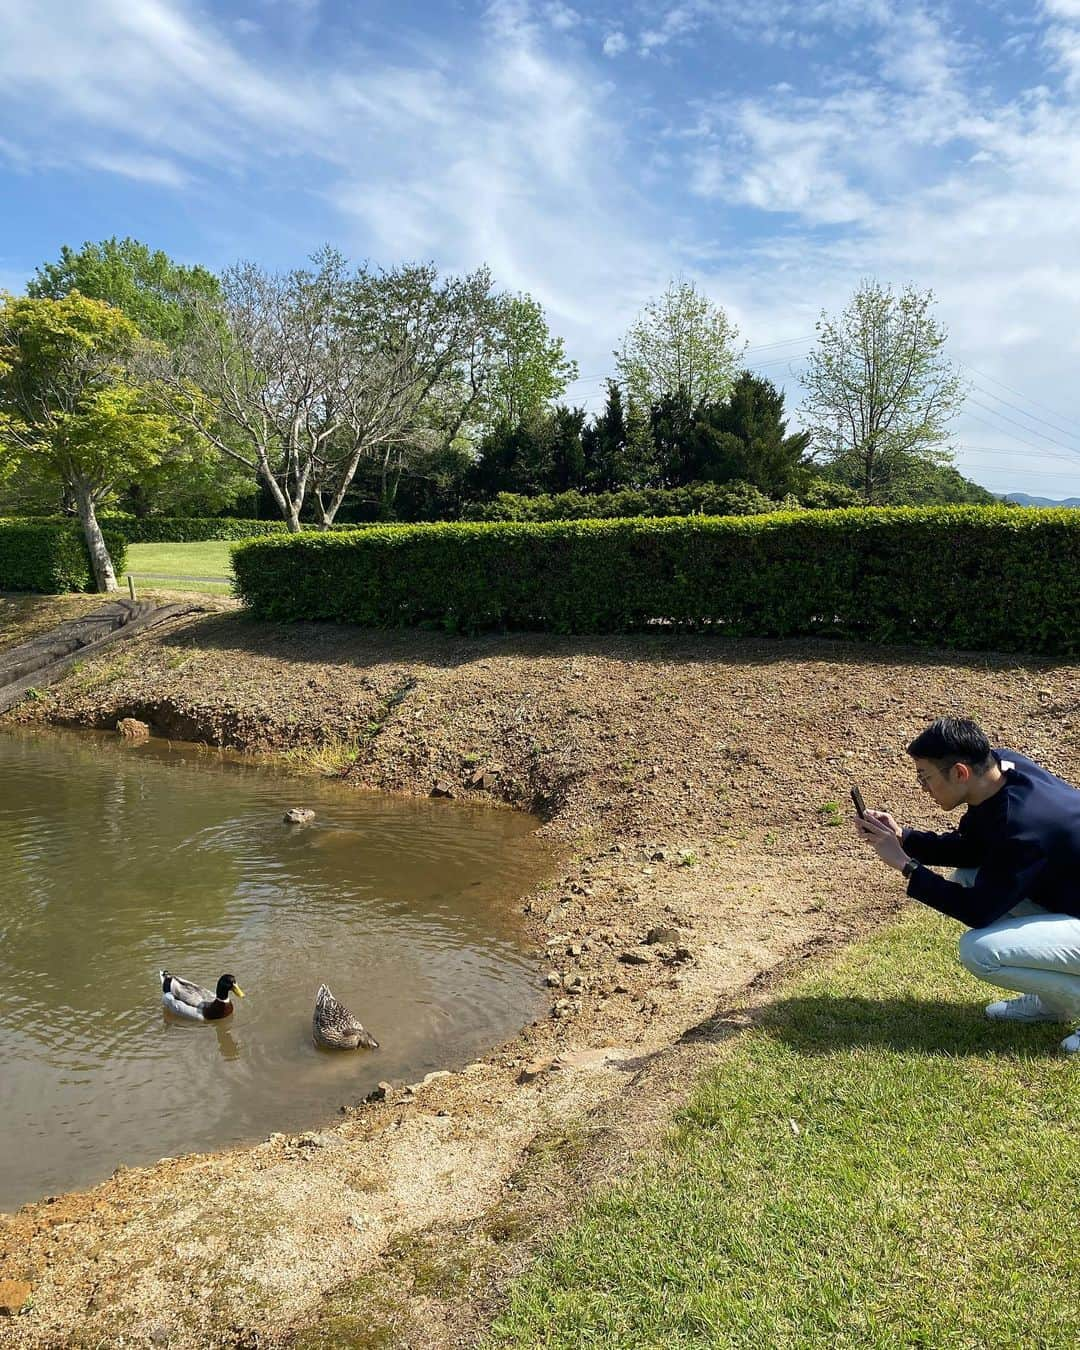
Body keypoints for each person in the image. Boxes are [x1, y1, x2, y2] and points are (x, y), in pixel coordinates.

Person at [855, 717, 1080, 1055]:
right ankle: (1054, 1004)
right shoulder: (1004, 770)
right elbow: (977, 848)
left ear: (960, 772)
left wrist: (905, 866)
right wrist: (904, 837)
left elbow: (977, 910)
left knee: (981, 951)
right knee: (969, 876)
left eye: (925, 778)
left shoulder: (1023, 826)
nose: (923, 788)